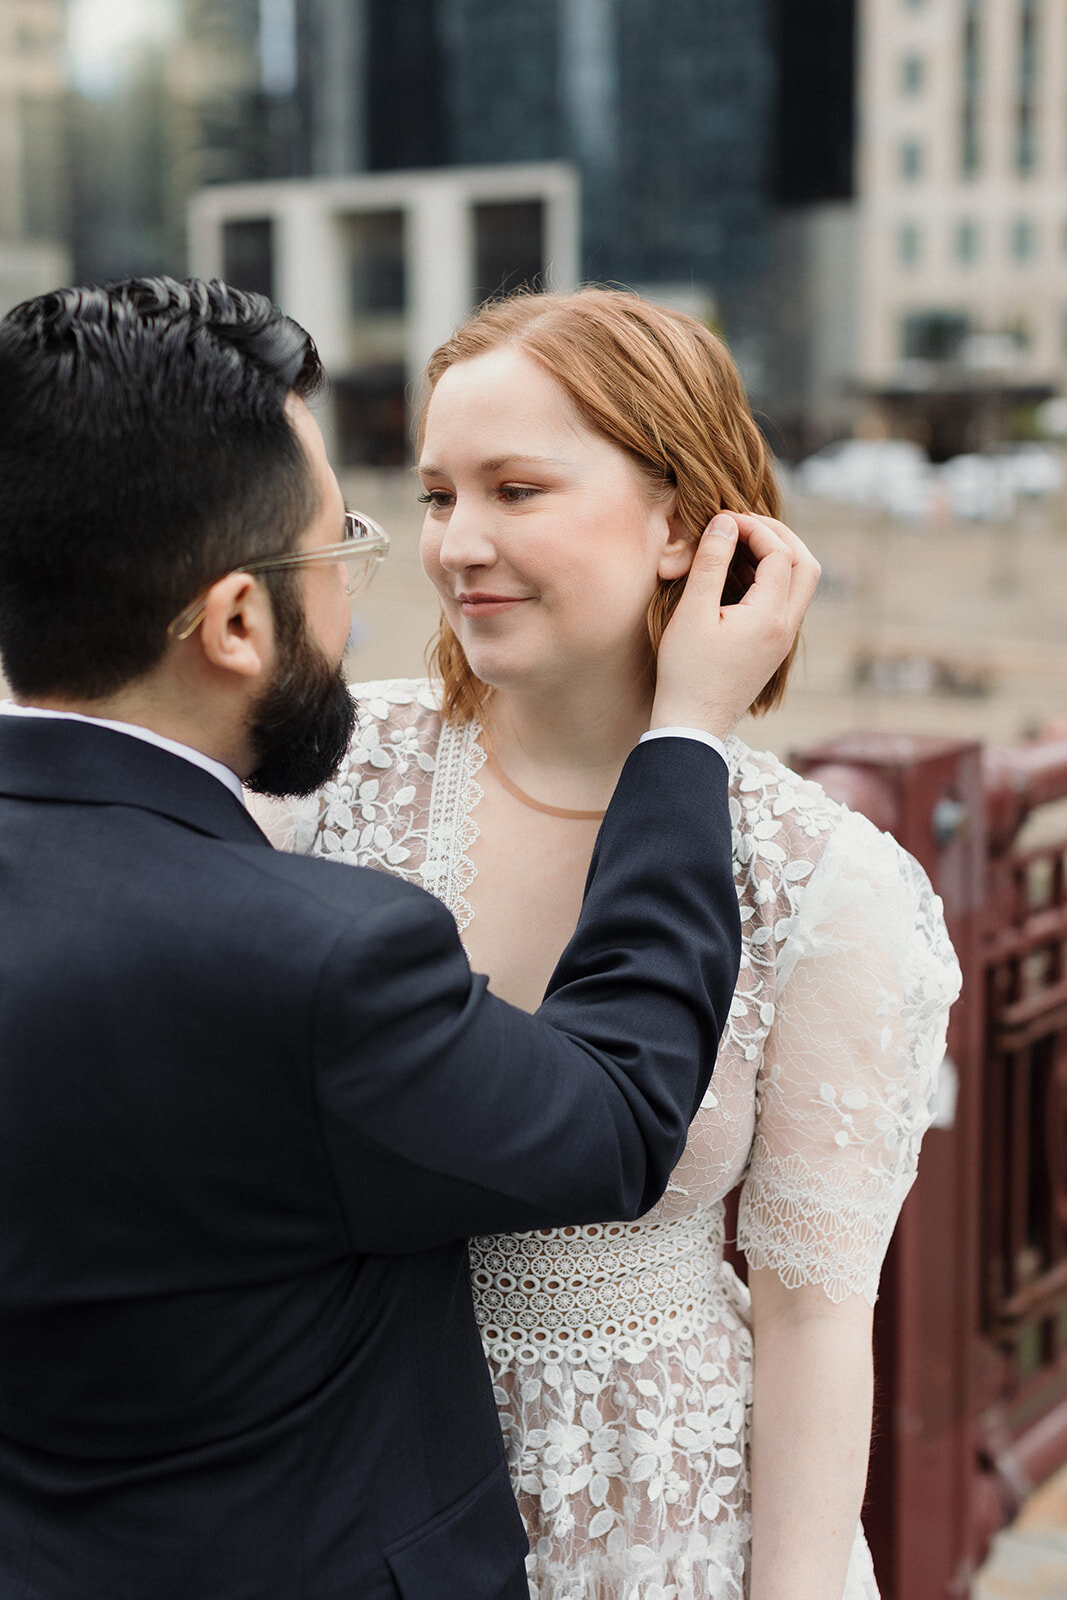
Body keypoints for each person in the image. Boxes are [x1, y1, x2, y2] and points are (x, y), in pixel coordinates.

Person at [0, 277, 817, 1600]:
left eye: (508, 492)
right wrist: (687, 740)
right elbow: (615, 1113)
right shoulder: (319, 957)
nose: (434, 563)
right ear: (237, 621)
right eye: (355, 545)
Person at [287, 288, 962, 1600]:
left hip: (661, 1522)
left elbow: (816, 1313)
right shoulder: (331, 776)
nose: (455, 544)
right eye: (435, 497)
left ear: (684, 525)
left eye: (516, 490)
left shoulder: (823, 877)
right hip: (351, 1490)